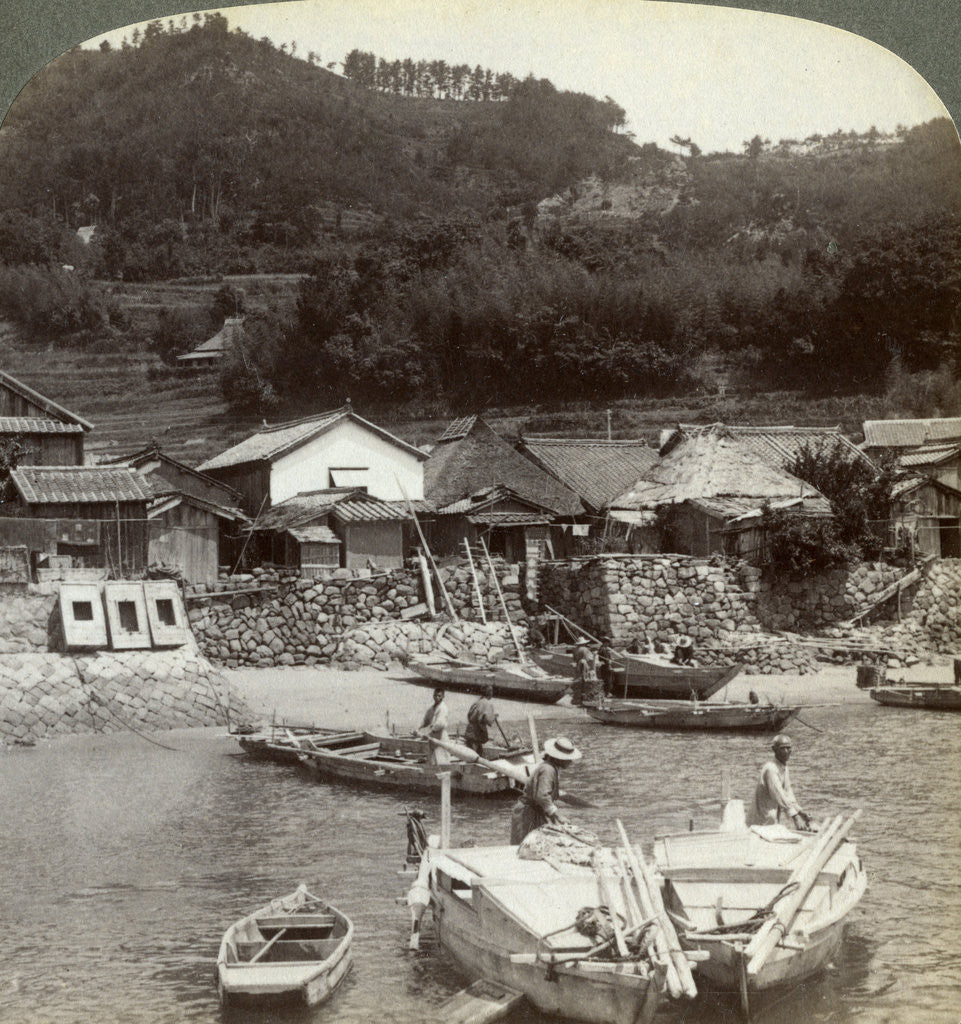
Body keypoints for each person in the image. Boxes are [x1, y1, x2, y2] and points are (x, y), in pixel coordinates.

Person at [510, 736, 582, 844]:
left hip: (535, 811)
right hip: (526, 813)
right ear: (559, 758)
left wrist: (552, 816)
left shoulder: (550, 768)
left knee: (536, 844)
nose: (571, 761)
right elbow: (542, 796)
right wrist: (557, 815)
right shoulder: (548, 770)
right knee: (522, 845)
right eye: (568, 759)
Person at [747, 734, 812, 830]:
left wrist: (800, 812)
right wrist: (795, 817)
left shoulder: (784, 767)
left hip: (771, 820)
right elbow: (779, 795)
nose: (786, 751)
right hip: (759, 822)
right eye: (782, 748)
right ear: (774, 749)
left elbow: (788, 794)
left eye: (788, 748)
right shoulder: (771, 769)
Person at [417, 688, 451, 765]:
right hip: (432, 736)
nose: (437, 697)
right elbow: (426, 720)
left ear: (443, 696)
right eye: (435, 695)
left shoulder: (443, 708)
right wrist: (419, 728)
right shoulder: (432, 708)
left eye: (439, 696)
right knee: (432, 758)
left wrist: (429, 732)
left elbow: (440, 724)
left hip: (440, 736)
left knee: (441, 757)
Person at [463, 684, 498, 755]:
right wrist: (494, 717)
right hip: (477, 734)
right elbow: (489, 721)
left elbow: (469, 716)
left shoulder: (477, 702)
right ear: (490, 693)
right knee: (474, 755)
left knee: (474, 754)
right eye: (492, 691)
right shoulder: (487, 704)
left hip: (470, 731)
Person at [570, 638, 596, 707]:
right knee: (585, 681)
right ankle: (582, 700)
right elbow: (589, 659)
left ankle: (577, 699)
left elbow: (574, 659)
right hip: (583, 665)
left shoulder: (575, 649)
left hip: (578, 665)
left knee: (578, 681)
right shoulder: (585, 649)